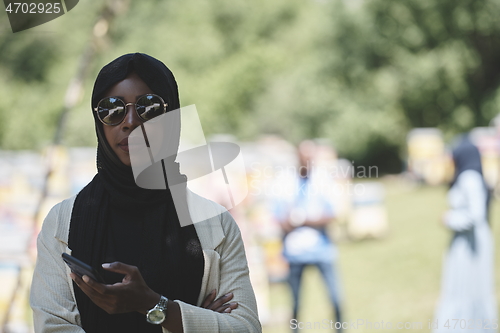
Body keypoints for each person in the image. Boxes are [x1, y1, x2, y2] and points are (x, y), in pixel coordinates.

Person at [30, 53, 261, 333]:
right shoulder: (63, 222)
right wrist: (194, 320)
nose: (129, 122)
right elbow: (53, 327)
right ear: (98, 122)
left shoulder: (215, 225)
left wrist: (156, 305)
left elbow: (244, 328)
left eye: (148, 108)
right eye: (112, 109)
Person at [272, 140, 342, 329]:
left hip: (322, 250)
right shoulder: (284, 181)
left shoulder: (323, 179)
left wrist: (303, 220)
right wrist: (289, 222)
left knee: (335, 299)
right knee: (295, 304)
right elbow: (277, 216)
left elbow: (332, 214)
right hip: (295, 253)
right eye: (305, 156)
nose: (308, 161)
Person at [433, 136, 497, 333]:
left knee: (468, 287)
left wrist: (449, 219)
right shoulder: (470, 176)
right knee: (462, 286)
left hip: (471, 244)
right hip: (468, 242)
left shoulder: (469, 177)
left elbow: (475, 215)